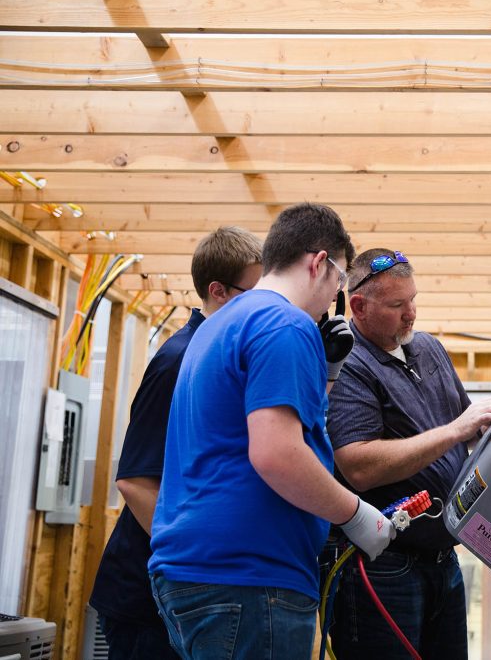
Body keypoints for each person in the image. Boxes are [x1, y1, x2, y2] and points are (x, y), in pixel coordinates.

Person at [148, 204, 395, 660]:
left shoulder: (219, 325)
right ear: (319, 263)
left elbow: (239, 438)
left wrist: (327, 375)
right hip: (250, 577)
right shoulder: (285, 324)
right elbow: (277, 453)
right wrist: (356, 515)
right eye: (340, 282)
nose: (333, 300)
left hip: (192, 573)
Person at [89, 226, 263, 660]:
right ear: (218, 291)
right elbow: (135, 481)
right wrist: (201, 564)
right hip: (148, 601)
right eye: (255, 294)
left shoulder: (221, 355)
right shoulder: (180, 361)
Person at [328, 248, 491, 659]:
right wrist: (456, 429)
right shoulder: (350, 363)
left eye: (413, 300)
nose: (411, 313)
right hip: (385, 565)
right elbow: (358, 466)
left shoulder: (428, 349)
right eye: (397, 305)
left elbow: (465, 431)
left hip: (443, 558)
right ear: (359, 306)